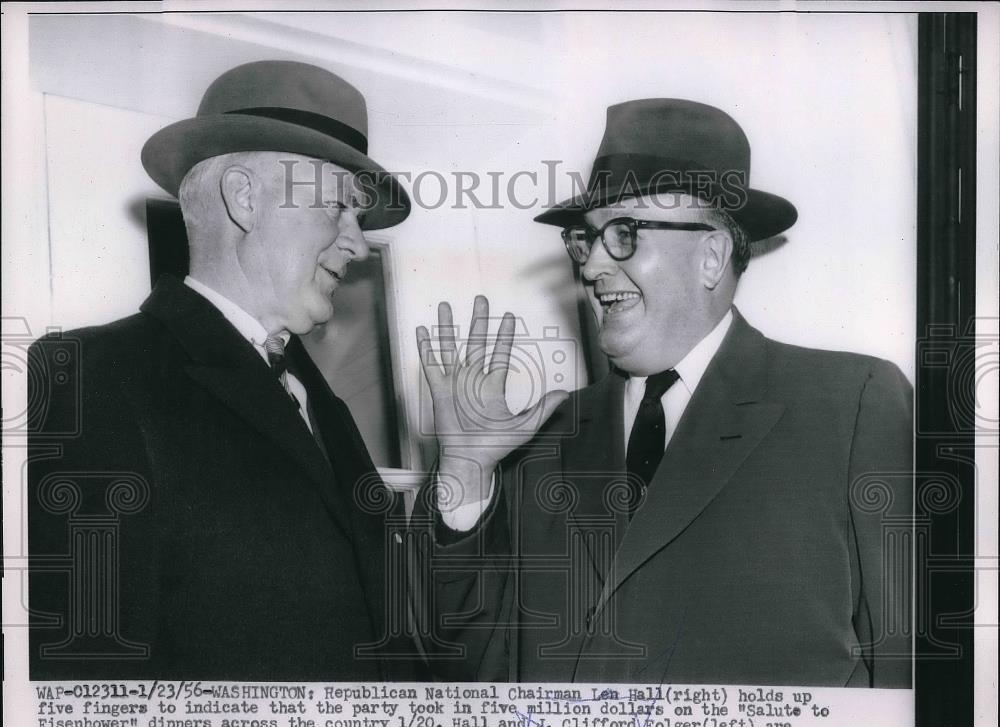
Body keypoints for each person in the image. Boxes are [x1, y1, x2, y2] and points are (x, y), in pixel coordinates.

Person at [415, 99, 912, 687]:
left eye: (623, 233)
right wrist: (467, 475)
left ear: (712, 256)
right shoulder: (541, 435)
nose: (593, 266)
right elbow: (468, 676)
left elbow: (910, 676)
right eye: (587, 239)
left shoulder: (850, 405)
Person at [28, 60, 414, 680]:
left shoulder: (317, 399)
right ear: (243, 198)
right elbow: (84, 694)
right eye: (339, 209)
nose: (360, 244)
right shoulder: (89, 377)